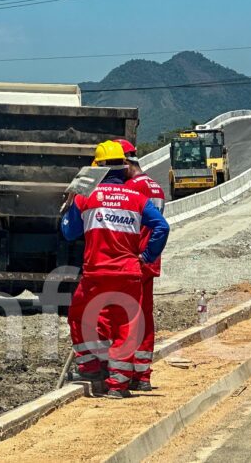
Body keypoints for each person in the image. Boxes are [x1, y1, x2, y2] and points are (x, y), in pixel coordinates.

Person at [61, 140, 169, 399]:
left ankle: (89, 366)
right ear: (124, 167)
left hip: (96, 273)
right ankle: (118, 386)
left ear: (96, 169)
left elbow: (69, 232)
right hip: (129, 272)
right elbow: (162, 227)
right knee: (127, 325)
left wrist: (68, 206)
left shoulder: (86, 196)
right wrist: (146, 256)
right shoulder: (138, 198)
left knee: (81, 316)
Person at [116, 138, 166, 392]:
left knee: (126, 317)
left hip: (135, 260)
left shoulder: (133, 189)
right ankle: (143, 374)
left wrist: (141, 256)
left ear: (126, 163)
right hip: (150, 262)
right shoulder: (156, 186)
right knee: (144, 317)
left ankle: (122, 376)